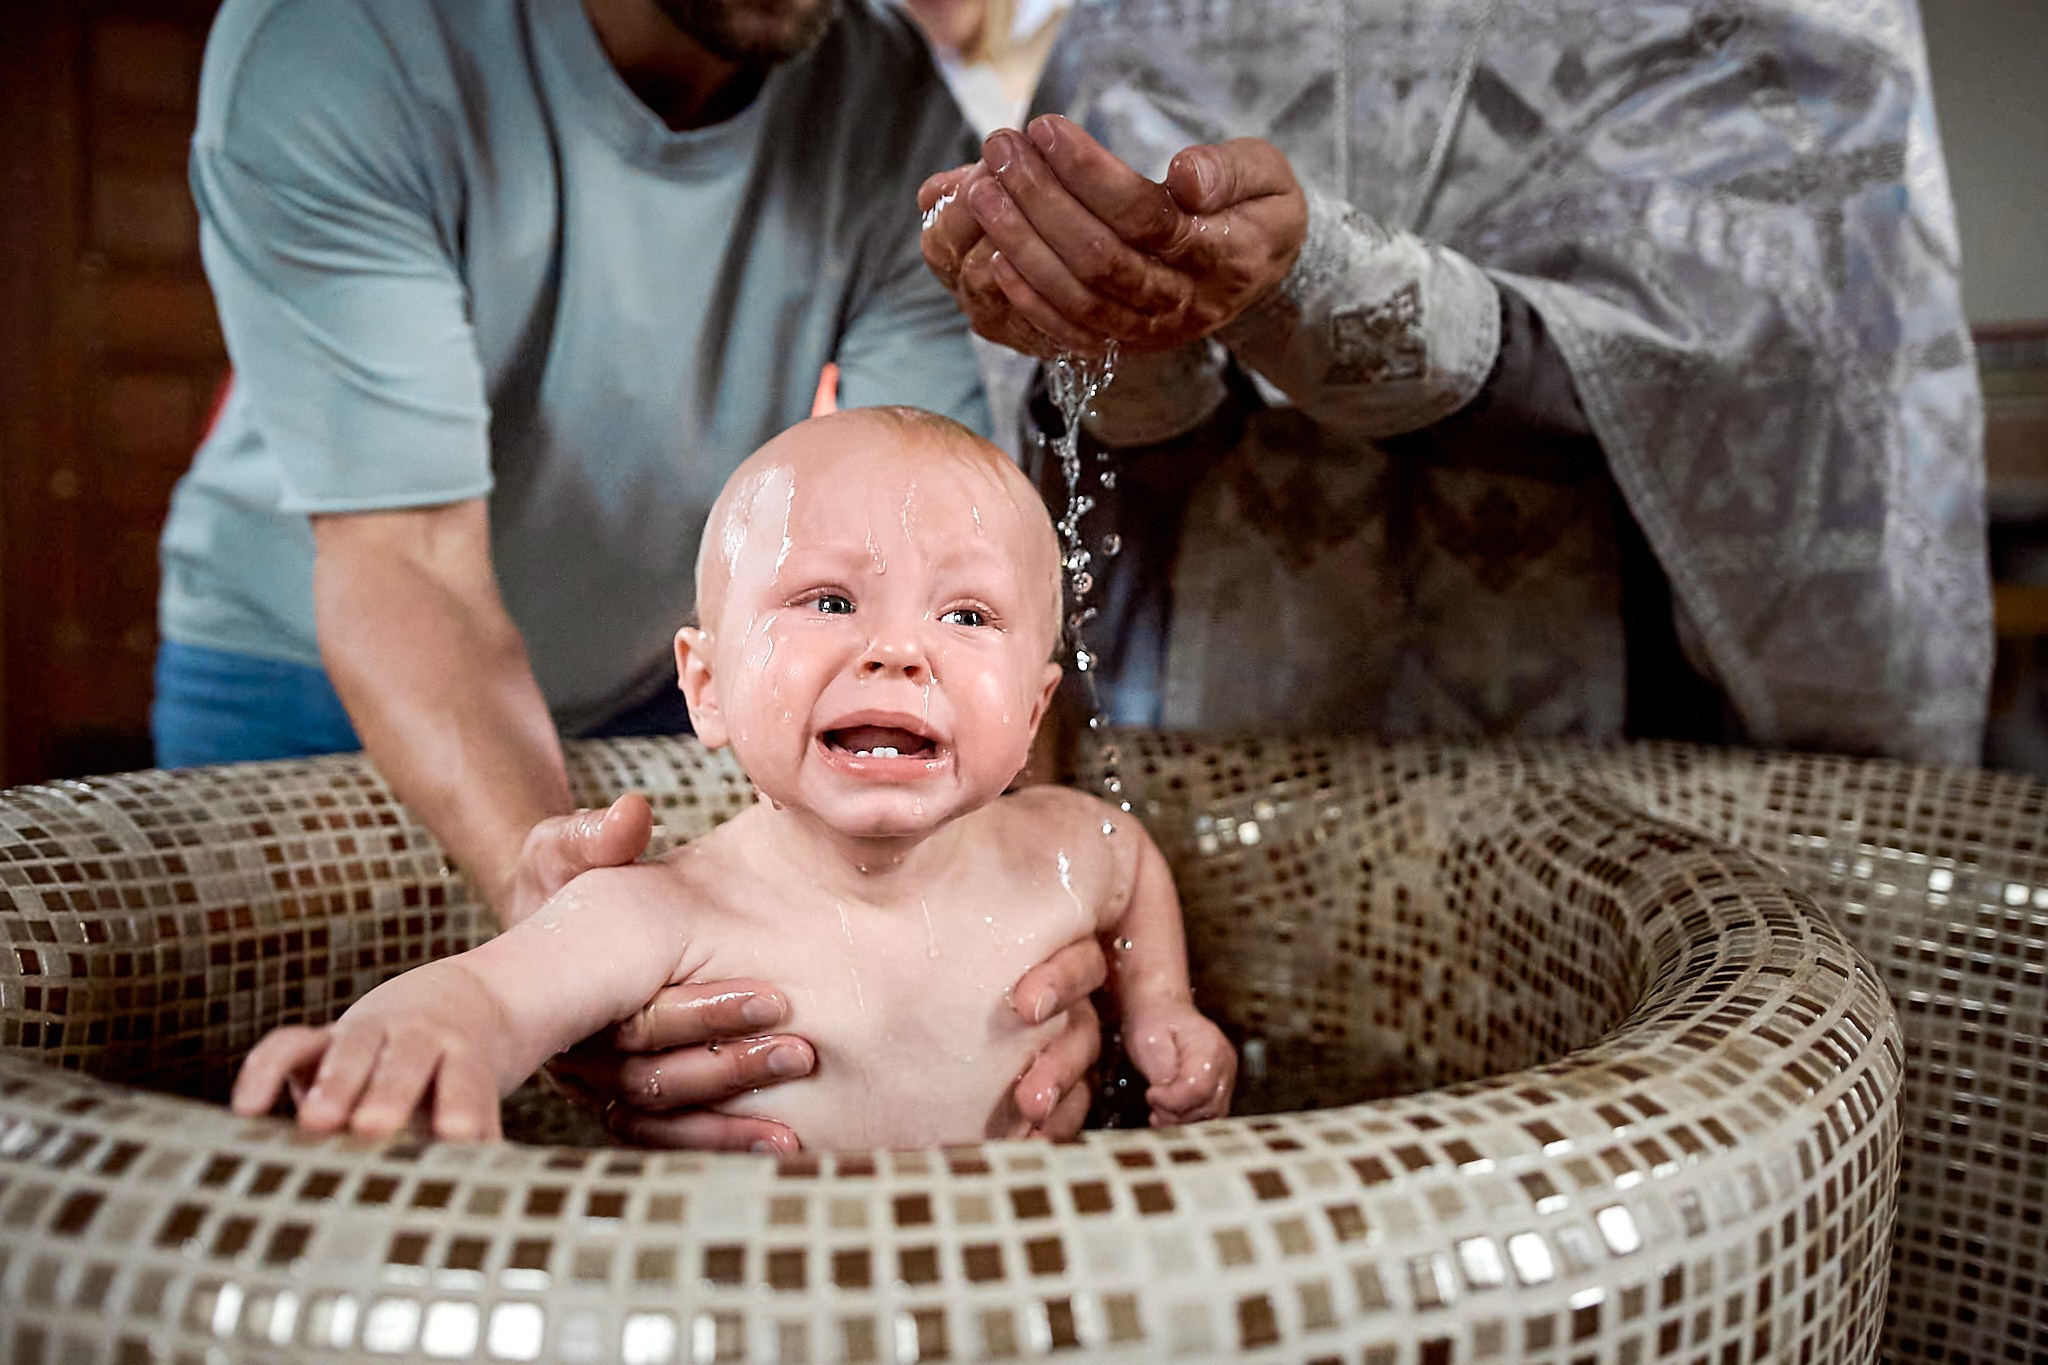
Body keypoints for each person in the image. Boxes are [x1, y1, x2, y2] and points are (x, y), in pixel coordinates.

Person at [160, 0, 1105, 1150]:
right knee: (307, 1167)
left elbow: (972, 554)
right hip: (315, 663)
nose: (901, 650)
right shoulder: (341, 41)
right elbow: (408, 563)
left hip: (658, 662)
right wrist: (546, 935)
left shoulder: (884, 96)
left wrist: (1030, 957)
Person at [920, 0, 1990, 765]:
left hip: (1627, 741)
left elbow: (1783, 381)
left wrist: (1319, 290)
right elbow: (1110, 464)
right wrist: (1105, 314)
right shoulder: (1128, 20)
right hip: (1229, 713)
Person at [231, 407, 1236, 1147]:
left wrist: (1160, 1009)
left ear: (1026, 713)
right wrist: (417, 1027)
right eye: (830, 601)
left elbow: (1129, 863)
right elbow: (491, 1001)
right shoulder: (666, 914)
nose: (899, 651)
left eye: (965, 617)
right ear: (706, 687)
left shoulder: (1062, 848)